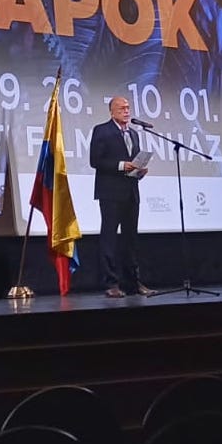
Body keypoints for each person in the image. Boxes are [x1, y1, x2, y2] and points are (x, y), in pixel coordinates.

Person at [90, 95, 153, 298]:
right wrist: (121, 165)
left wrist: (139, 171)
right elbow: (95, 160)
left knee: (130, 239)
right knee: (109, 238)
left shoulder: (134, 134)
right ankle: (111, 283)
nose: (126, 111)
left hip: (131, 192)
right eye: (121, 108)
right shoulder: (102, 130)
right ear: (112, 111)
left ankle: (133, 283)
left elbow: (133, 162)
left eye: (128, 108)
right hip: (110, 192)